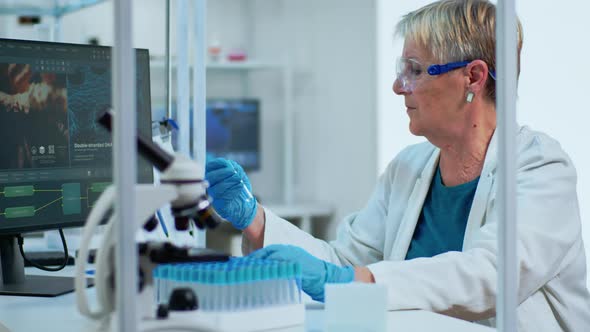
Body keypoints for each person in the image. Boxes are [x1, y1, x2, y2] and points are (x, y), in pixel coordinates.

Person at [205, 0, 590, 330]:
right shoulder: (409, 167)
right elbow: (345, 264)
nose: (398, 86)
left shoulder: (541, 168)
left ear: (472, 77)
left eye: (415, 70)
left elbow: (490, 275)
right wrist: (254, 218)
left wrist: (350, 280)